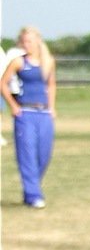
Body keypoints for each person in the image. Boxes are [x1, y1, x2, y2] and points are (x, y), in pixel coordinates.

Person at [0, 25, 56, 207]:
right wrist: (14, 106)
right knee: (27, 154)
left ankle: (31, 188)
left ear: (38, 41)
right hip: (25, 114)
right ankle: (34, 195)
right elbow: (3, 84)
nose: (27, 44)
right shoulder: (18, 62)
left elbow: (52, 85)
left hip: (44, 113)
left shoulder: (48, 62)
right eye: (24, 41)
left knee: (43, 154)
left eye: (30, 41)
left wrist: (52, 107)